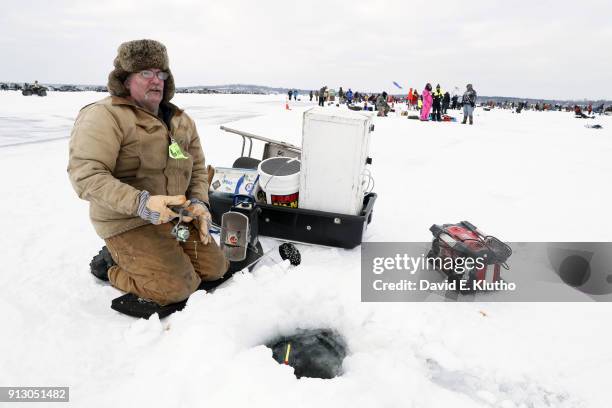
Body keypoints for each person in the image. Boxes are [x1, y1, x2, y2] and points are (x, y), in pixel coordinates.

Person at [67, 39, 228, 306]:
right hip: (127, 221)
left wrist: (199, 203)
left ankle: (162, 253)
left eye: (160, 73)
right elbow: (86, 175)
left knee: (215, 269)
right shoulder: (104, 116)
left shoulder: (181, 120)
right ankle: (111, 266)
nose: (156, 80)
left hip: (175, 215)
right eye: (145, 73)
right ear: (125, 79)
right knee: (175, 287)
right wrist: (142, 203)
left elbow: (198, 168)